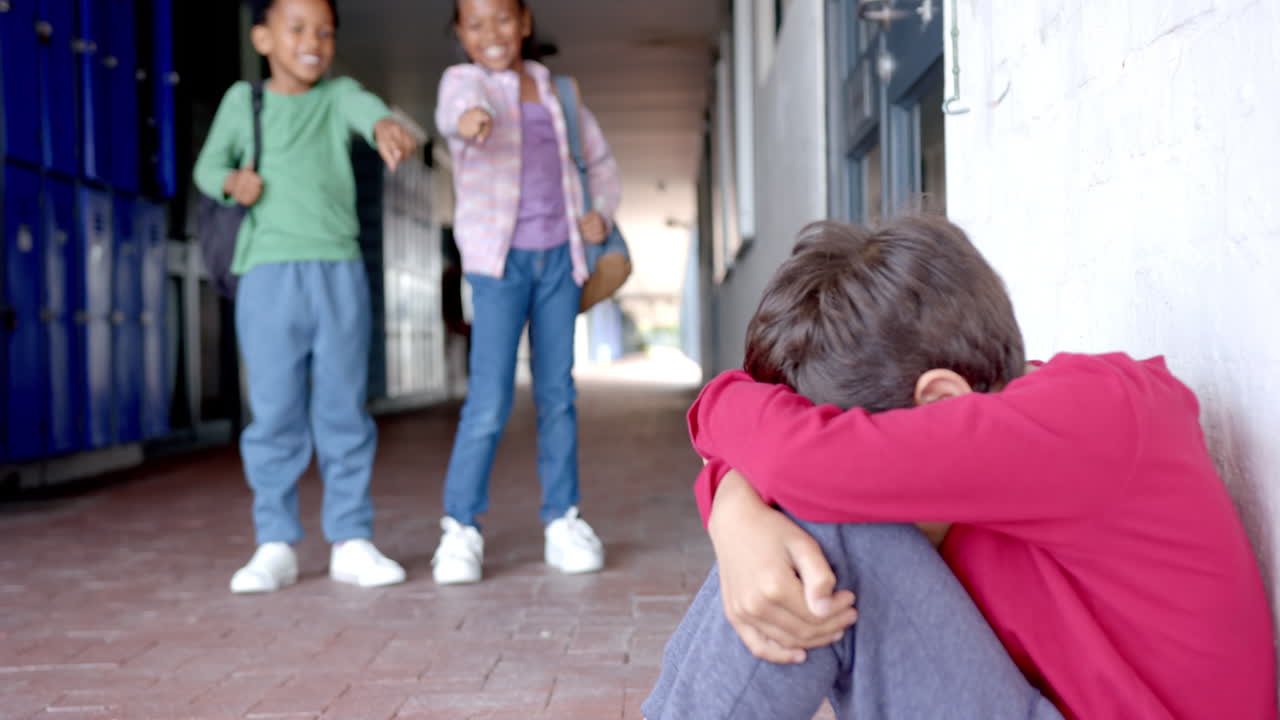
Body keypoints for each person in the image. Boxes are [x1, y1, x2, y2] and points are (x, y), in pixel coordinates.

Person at [644, 217, 1277, 719]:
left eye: (856, 439)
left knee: (833, 534)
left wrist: (735, 470)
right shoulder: (1008, 437)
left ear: (942, 402)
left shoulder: (1098, 416)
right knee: (809, 519)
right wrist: (738, 508)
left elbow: (796, 460)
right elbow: (785, 459)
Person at [193, 0, 419, 593]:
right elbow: (207, 166)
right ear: (263, 38)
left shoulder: (338, 94)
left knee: (344, 409)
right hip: (267, 275)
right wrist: (229, 180)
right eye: (297, 28)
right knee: (275, 412)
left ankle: (351, 539)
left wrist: (384, 126)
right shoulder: (246, 102)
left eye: (325, 30)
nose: (313, 40)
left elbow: (366, 110)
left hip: (338, 271)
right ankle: (275, 543)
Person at [429, 0, 623, 584]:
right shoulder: (463, 83)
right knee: (488, 400)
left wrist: (601, 216)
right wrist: (470, 122)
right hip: (497, 265)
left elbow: (600, 163)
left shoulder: (556, 90)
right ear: (461, 33)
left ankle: (562, 520)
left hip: (558, 264)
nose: (492, 33)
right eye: (476, 23)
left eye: (503, 19)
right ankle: (460, 529)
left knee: (558, 393)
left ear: (525, 23)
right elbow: (457, 111)